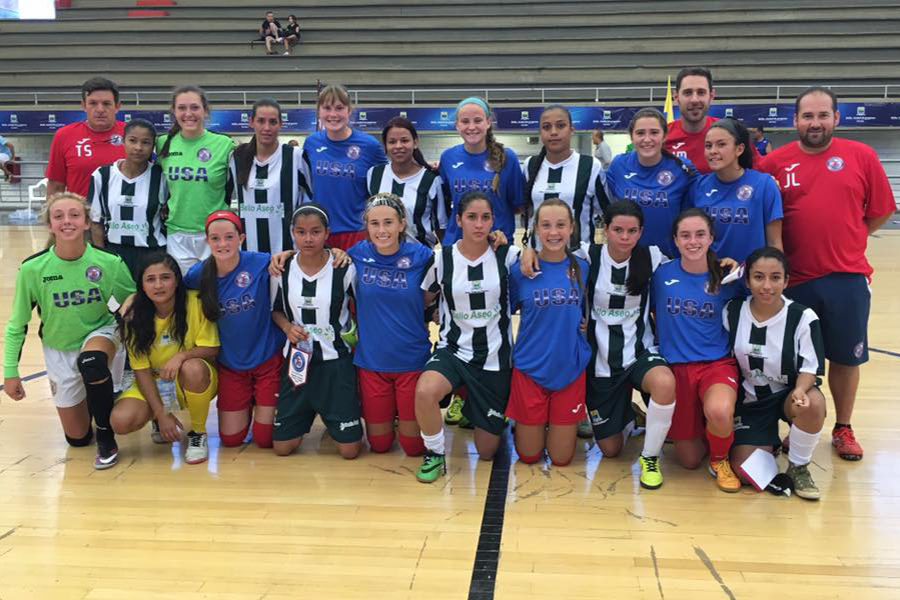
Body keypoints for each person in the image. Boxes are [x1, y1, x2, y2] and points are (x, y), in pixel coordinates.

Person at [760, 86, 895, 461]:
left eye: (823, 115)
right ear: (795, 121)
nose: (815, 123)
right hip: (795, 280)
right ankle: (798, 425)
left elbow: (882, 209)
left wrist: (854, 235)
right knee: (793, 361)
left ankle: (843, 427)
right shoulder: (774, 164)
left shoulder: (862, 156)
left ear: (837, 118)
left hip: (847, 277)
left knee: (846, 358)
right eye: (807, 116)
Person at [3, 192, 135, 470]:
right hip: (59, 348)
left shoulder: (110, 264)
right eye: (58, 216)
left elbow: (132, 301)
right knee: (77, 439)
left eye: (75, 215)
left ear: (87, 222)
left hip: (100, 334)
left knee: (92, 362)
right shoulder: (33, 269)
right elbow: (17, 324)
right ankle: (96, 401)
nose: (67, 221)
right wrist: (11, 371)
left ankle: (106, 436)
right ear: (49, 225)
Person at [415, 191, 520, 483]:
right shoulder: (442, 258)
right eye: (471, 217)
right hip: (453, 350)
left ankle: (476, 407)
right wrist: (436, 312)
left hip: (494, 357)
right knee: (425, 391)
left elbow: (533, 267)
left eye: (485, 217)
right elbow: (425, 298)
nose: (479, 224)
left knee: (487, 451)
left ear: (493, 222)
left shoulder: (507, 256)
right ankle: (434, 453)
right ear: (459, 220)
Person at [651, 208, 743, 492]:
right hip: (676, 369)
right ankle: (710, 431)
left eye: (700, 234)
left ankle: (720, 458)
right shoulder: (660, 275)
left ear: (712, 238)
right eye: (685, 235)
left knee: (718, 410)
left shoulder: (727, 277)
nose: (693, 241)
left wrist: (737, 267)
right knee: (688, 460)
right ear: (675, 241)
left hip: (716, 365)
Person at [724, 246, 826, 500]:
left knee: (812, 403)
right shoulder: (732, 311)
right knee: (744, 471)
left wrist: (800, 390)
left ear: (786, 280)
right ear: (747, 280)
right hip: (751, 403)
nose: (767, 285)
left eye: (775, 277)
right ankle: (769, 443)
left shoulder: (803, 317)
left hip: (788, 396)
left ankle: (799, 466)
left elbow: (810, 367)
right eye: (758, 277)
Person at [183, 210, 285, 449]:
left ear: (241, 238)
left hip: (267, 360)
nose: (222, 244)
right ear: (207, 241)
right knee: (230, 440)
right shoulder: (197, 275)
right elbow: (170, 296)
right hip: (231, 366)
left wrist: (289, 254)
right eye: (215, 238)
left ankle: (262, 404)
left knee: (264, 439)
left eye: (229, 237)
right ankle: (249, 403)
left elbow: (293, 260)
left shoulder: (260, 261)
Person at [270, 204, 363, 458]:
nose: (308, 238)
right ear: (293, 233)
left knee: (350, 451)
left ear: (327, 233)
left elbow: (364, 308)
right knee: (282, 448)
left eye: (315, 232)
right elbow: (275, 310)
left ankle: (334, 417)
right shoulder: (282, 269)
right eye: (301, 232)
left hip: (336, 362)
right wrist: (287, 327)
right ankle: (309, 414)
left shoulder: (344, 268)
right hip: (297, 361)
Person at [110, 252, 219, 464]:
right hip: (154, 380)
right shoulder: (134, 315)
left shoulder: (195, 303)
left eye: (165, 278)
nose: (158, 285)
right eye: (150, 279)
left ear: (177, 280)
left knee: (193, 368)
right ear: (141, 285)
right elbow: (140, 370)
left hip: (190, 378)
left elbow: (212, 349)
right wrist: (160, 413)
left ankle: (198, 433)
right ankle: (159, 419)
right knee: (120, 421)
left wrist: (182, 356)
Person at [349, 193, 436, 456]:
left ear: (401, 224)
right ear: (367, 226)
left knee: (412, 448)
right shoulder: (354, 255)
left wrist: (496, 240)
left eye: (388, 222)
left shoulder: (423, 256)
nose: (381, 230)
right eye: (374, 224)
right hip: (371, 363)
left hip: (411, 361)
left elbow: (458, 263)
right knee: (380, 445)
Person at [507, 199, 591, 467]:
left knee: (561, 458)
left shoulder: (584, 267)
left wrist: (584, 320)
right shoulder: (520, 271)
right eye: (546, 225)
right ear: (535, 229)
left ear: (572, 228)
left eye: (560, 225)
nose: (553, 232)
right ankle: (527, 422)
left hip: (570, 368)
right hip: (530, 369)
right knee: (529, 456)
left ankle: (556, 421)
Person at [156, 85, 235, 275]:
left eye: (194, 107)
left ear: (205, 110)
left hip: (216, 232)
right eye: (182, 108)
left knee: (215, 294)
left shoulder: (224, 144)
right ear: (174, 112)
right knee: (185, 295)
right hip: (177, 233)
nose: (188, 113)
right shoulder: (162, 143)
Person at [301, 84, 388, 250]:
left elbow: (389, 179)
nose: (333, 114)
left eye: (339, 108)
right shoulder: (311, 143)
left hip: (356, 232)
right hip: (319, 232)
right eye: (327, 108)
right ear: (319, 112)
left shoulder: (369, 145)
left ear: (349, 111)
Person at [605, 107, 697, 257]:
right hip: (627, 258)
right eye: (640, 133)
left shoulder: (683, 168)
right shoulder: (618, 165)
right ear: (631, 136)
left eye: (654, 133)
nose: (647, 139)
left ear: (665, 136)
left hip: (669, 258)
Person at [688, 118, 783, 262]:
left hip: (751, 279)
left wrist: (775, 277)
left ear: (739, 149)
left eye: (721, 144)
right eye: (708, 146)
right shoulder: (698, 187)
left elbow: (774, 243)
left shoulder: (764, 185)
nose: (713, 151)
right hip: (710, 278)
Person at [439, 97, 526, 244]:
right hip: (457, 245)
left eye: (478, 120)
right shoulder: (447, 157)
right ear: (457, 125)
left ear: (488, 122)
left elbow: (518, 205)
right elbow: (445, 202)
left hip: (497, 245)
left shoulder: (507, 157)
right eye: (465, 121)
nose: (471, 127)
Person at [89, 118, 167, 280]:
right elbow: (96, 222)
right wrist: (102, 257)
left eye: (145, 142)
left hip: (152, 254)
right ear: (123, 141)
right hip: (115, 253)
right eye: (132, 141)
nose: (138, 147)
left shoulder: (161, 177)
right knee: (117, 304)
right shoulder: (102, 175)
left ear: (153, 147)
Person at [522, 105, 606, 249]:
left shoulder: (591, 166)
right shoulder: (530, 165)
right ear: (540, 132)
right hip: (537, 260)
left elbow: (607, 211)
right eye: (547, 127)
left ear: (571, 130)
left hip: (580, 260)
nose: (553, 132)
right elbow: (527, 211)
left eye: (560, 126)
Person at [230, 98, 306, 254]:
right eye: (260, 121)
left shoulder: (295, 156)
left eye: (272, 122)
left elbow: (311, 198)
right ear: (251, 122)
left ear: (280, 124)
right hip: (248, 253)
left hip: (286, 252)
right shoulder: (236, 157)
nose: (266, 127)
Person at [664, 67, 760, 174]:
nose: (695, 100)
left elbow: (760, 171)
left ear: (711, 95)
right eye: (687, 93)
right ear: (676, 96)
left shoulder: (732, 133)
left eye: (701, 93)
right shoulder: (662, 137)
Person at [367, 116, 445, 246]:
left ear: (415, 142)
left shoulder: (432, 180)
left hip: (419, 259)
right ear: (385, 146)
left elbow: (441, 226)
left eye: (404, 140)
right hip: (382, 258)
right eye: (392, 142)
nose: (398, 146)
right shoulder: (374, 175)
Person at [45, 77, 126, 199]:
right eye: (93, 103)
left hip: (122, 215)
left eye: (106, 103)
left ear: (117, 106)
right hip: (82, 216)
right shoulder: (64, 136)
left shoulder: (132, 135)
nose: (100, 110)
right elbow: (56, 186)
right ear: (83, 105)